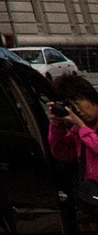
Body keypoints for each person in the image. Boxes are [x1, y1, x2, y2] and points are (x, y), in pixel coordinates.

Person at [50, 71, 98, 233]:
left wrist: (83, 128)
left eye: (79, 103)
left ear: (92, 98)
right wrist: (56, 125)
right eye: (72, 107)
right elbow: (61, 152)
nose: (79, 111)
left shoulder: (82, 129)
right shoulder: (79, 130)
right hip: (91, 199)